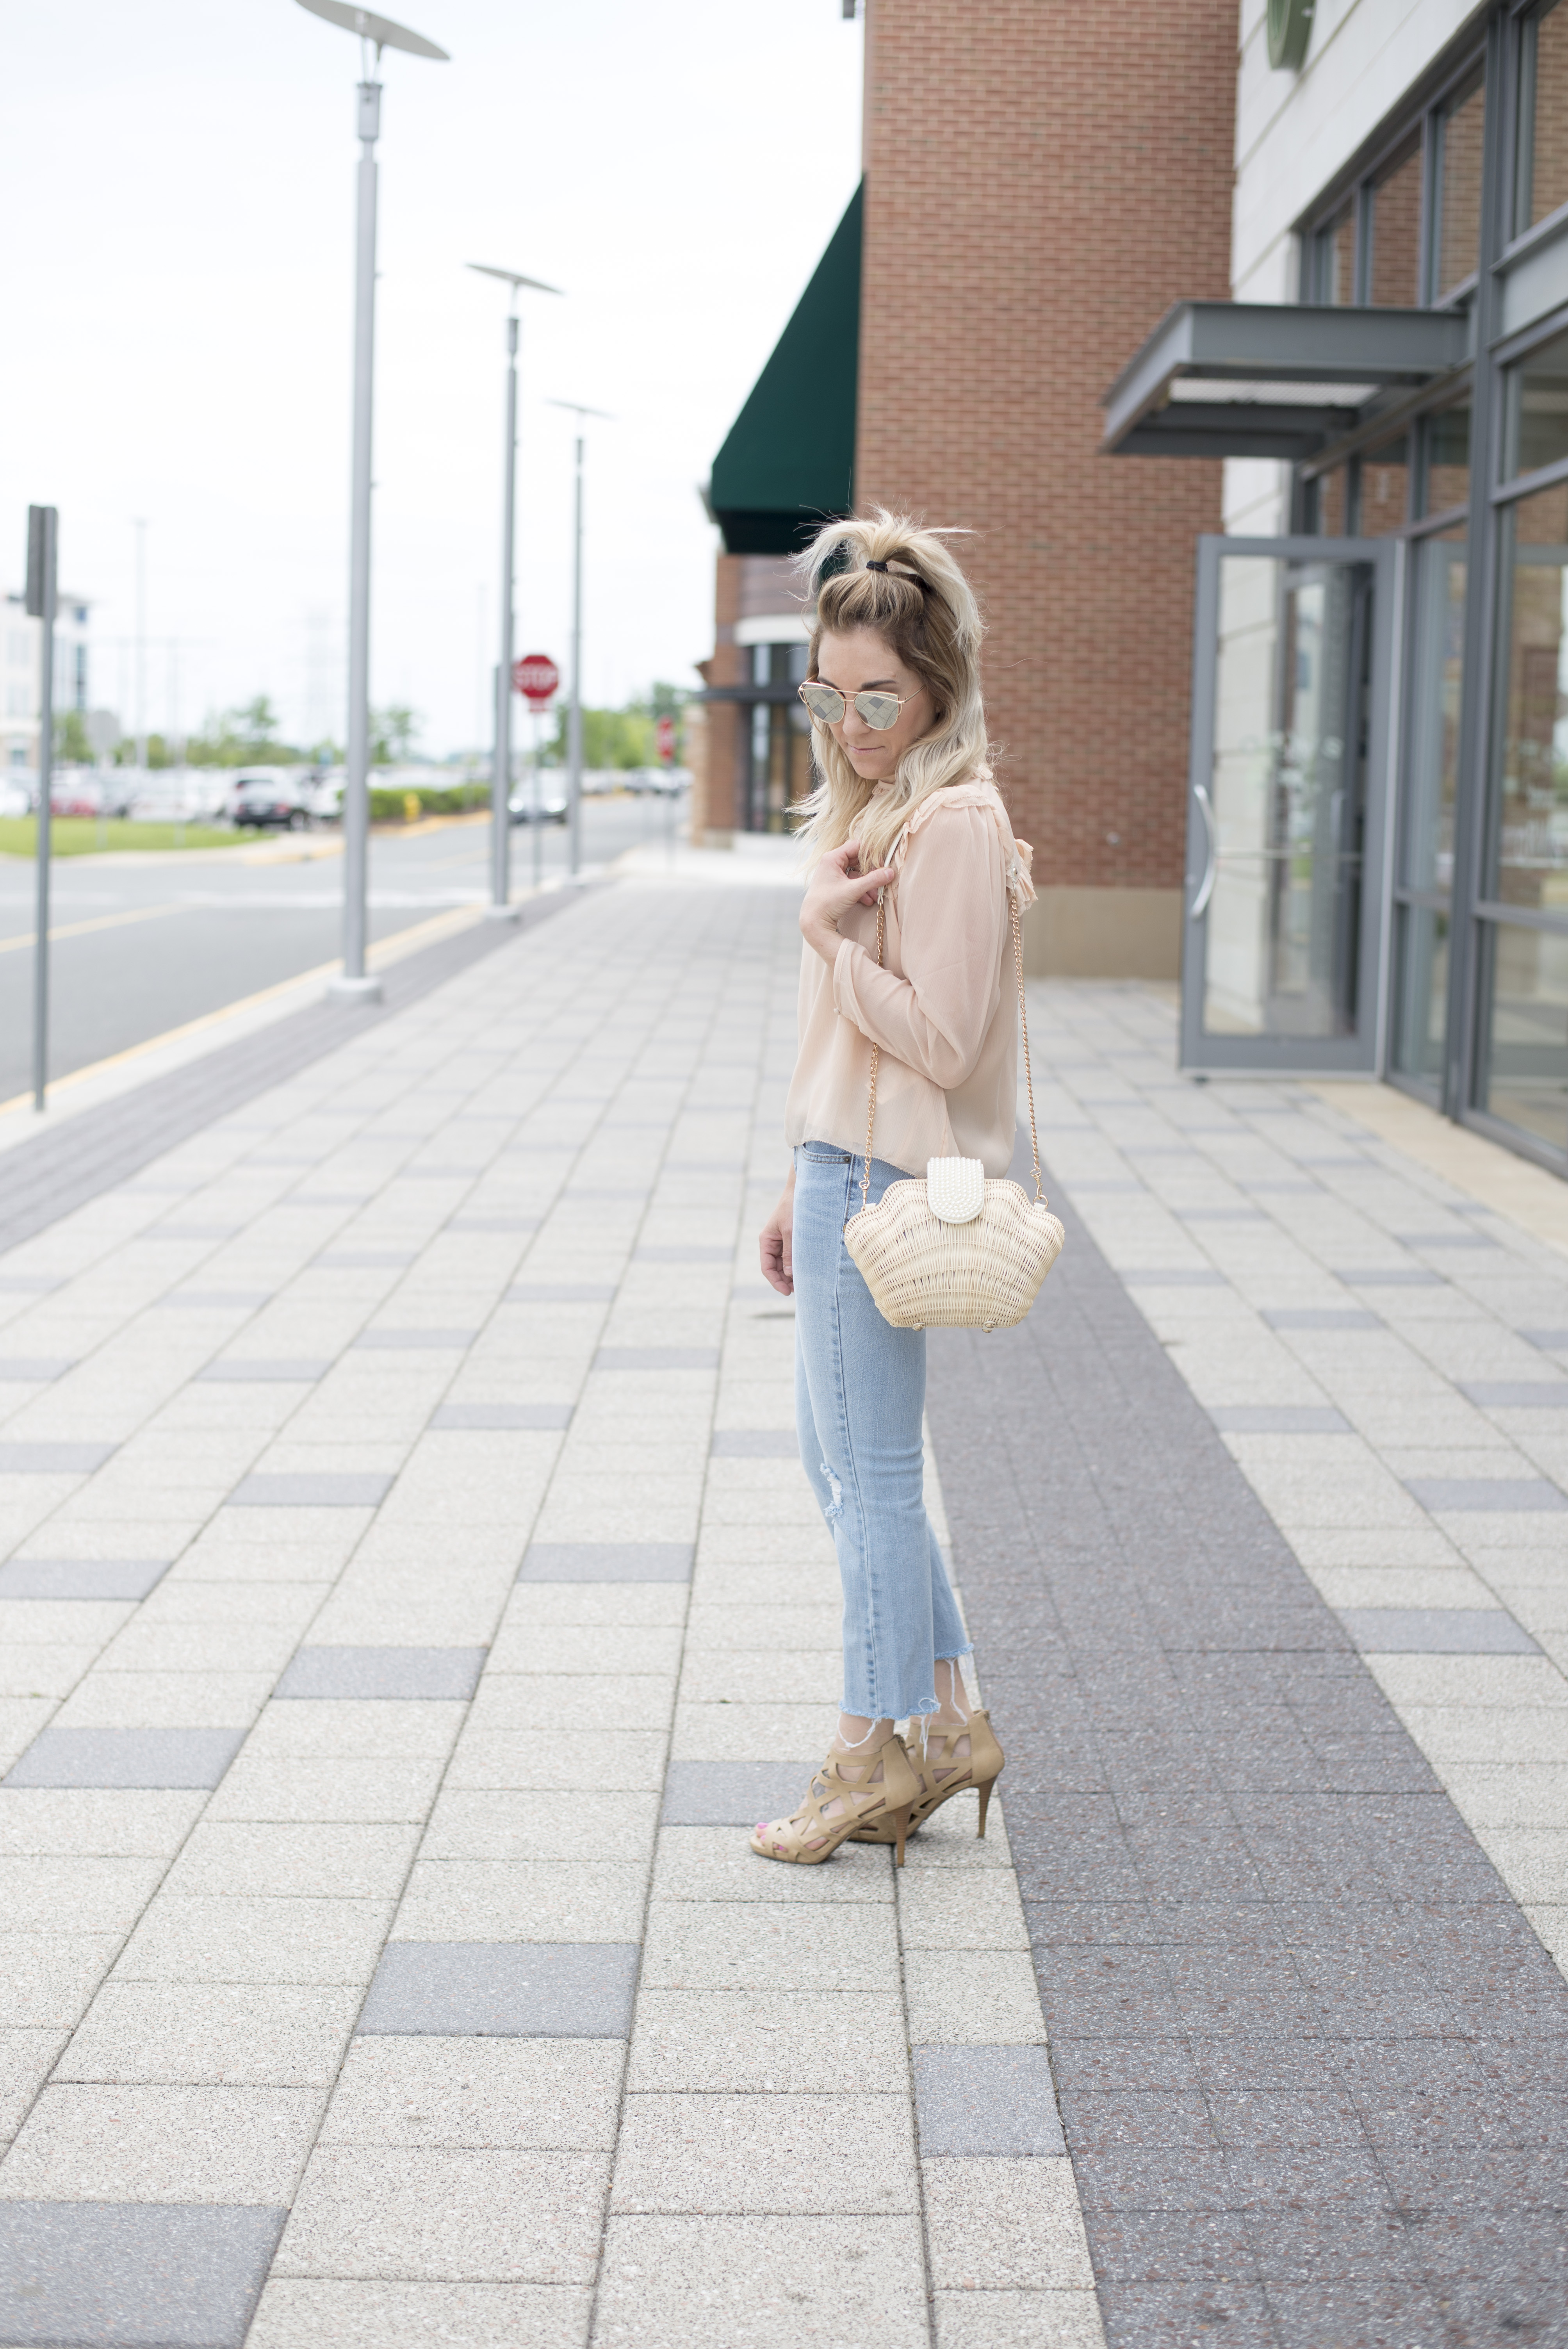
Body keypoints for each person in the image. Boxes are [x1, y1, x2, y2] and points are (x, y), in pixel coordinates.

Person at [753, 510, 1032, 1866]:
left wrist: (824, 933)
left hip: (885, 1179)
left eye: (883, 697)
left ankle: (870, 1753)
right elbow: (839, 1043)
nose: (856, 721)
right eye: (835, 694)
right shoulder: (873, 808)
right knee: (840, 1464)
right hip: (835, 1163)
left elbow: (943, 1036)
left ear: (937, 689)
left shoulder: (958, 826)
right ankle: (952, 1720)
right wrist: (789, 1167)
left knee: (868, 1476)